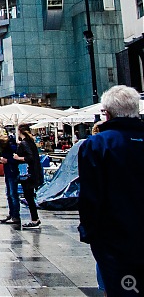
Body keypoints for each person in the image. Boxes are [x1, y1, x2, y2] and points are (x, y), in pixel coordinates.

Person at [78, 85, 144, 296]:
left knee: (124, 288)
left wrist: (89, 232)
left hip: (115, 237)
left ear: (106, 113)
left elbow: (90, 195)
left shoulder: (97, 145)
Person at [13, 123, 44, 229]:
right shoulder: (30, 142)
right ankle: (35, 218)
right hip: (33, 172)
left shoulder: (24, 143)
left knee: (29, 196)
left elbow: (29, 157)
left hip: (28, 174)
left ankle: (35, 219)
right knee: (29, 196)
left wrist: (18, 158)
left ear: (19, 131)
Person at [0, 127, 20, 225]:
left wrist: (7, 160)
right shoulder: (7, 144)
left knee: (13, 194)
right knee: (9, 193)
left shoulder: (11, 145)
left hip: (12, 170)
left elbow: (18, 158)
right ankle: (12, 214)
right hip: (8, 170)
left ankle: (15, 216)